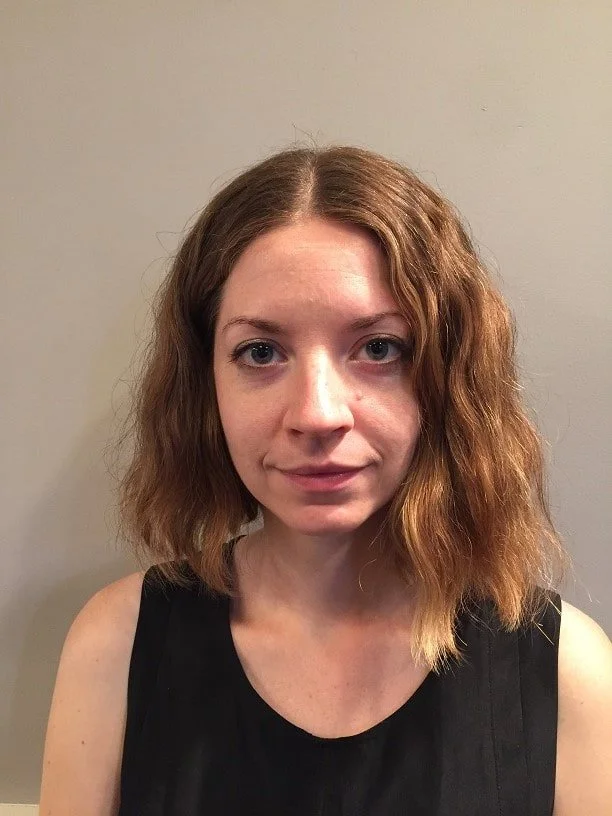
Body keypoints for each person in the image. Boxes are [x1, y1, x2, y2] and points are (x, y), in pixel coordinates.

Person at [39, 145, 612, 815]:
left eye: (378, 348)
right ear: (205, 387)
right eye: (260, 352)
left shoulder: (566, 673)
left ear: (447, 379)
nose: (316, 414)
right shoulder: (117, 646)